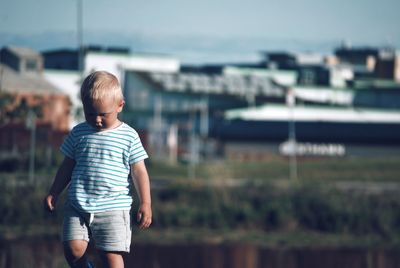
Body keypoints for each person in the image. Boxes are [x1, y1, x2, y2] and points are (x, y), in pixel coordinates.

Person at [44, 71, 152, 268]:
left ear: (120, 105)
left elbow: (139, 171)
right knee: (73, 250)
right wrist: (54, 191)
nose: (97, 120)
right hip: (78, 204)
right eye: (90, 113)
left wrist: (145, 202)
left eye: (103, 114)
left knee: (110, 256)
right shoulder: (79, 132)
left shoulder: (129, 136)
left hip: (113, 207)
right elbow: (67, 165)